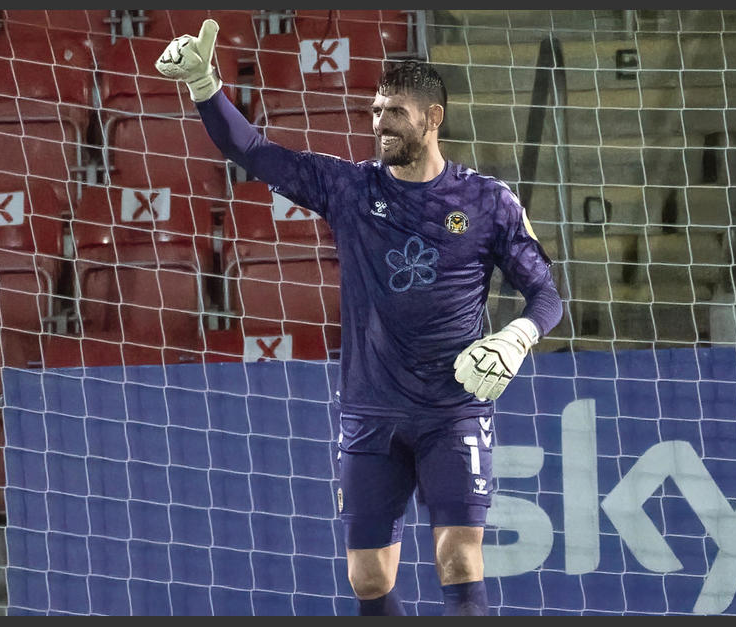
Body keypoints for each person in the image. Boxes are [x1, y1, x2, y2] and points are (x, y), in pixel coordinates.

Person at [155, 19, 563, 616]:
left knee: (460, 562)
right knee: (368, 581)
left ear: (432, 118)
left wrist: (519, 335)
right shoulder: (349, 187)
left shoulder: (487, 201)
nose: (379, 123)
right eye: (375, 110)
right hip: (369, 410)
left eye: (394, 111)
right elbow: (253, 150)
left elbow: (547, 295)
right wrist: (203, 85)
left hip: (452, 410)